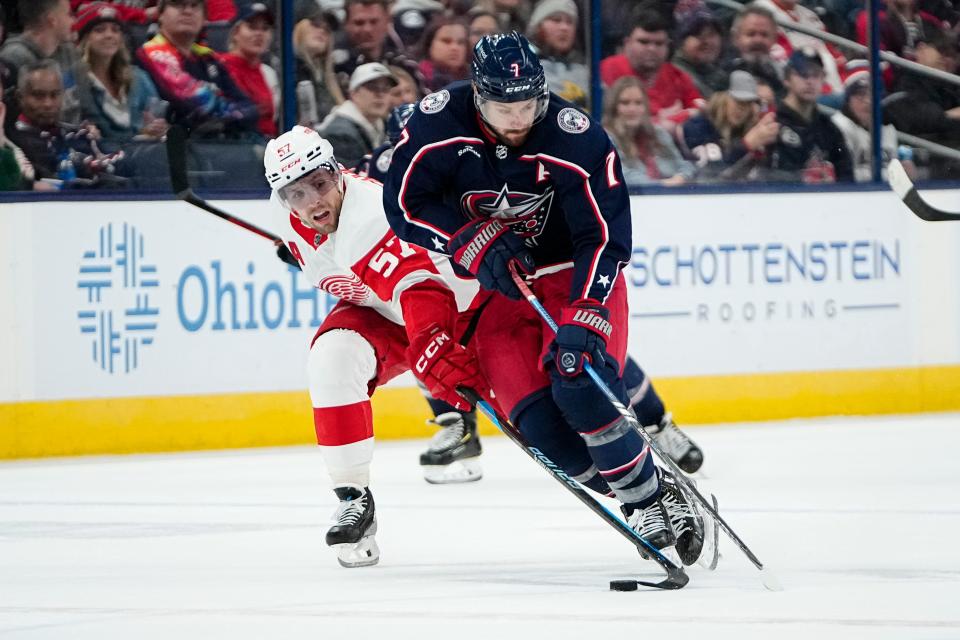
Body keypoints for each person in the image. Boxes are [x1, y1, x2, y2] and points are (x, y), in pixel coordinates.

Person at [383, 32, 708, 565]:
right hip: (497, 293)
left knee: (578, 384)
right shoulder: (436, 123)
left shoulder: (575, 137)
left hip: (571, 278)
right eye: (503, 107)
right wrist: (464, 237)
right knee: (540, 430)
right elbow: (403, 204)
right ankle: (644, 492)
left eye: (529, 104)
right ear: (477, 95)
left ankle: (647, 499)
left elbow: (603, 237)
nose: (518, 119)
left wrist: (587, 309)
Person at [263, 125, 487, 567]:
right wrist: (305, 249)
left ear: (337, 172)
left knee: (537, 412)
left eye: (320, 185)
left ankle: (638, 489)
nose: (313, 202)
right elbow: (321, 245)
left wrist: (432, 354)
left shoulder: (370, 215)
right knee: (332, 358)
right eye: (297, 194)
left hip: (455, 313)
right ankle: (352, 497)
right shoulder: (284, 211)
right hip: (386, 314)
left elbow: (418, 291)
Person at [136, 0, 259, 137]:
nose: (188, 11)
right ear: (160, 14)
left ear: (204, 18)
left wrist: (230, 117)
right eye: (178, 4)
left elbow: (249, 108)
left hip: (213, 147)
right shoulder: (153, 53)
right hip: (172, 151)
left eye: (194, 6)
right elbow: (198, 103)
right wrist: (235, 116)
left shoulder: (209, 59)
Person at [8, 59, 125, 185]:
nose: (48, 104)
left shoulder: (79, 135)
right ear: (20, 97)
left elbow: (119, 165)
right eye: (38, 96)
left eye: (55, 95)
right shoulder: (11, 144)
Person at [72, 2, 168, 142]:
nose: (109, 35)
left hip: (141, 156)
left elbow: (156, 118)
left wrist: (156, 128)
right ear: (85, 38)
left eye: (115, 30)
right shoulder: (73, 81)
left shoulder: (139, 77)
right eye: (100, 30)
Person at [600, 10, 704, 130]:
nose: (651, 49)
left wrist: (665, 119)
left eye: (659, 43)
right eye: (643, 42)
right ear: (627, 43)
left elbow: (700, 111)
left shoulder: (678, 76)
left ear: (668, 46)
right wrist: (672, 118)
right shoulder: (606, 70)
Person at [768, 49, 853, 182]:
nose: (810, 81)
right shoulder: (772, 123)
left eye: (816, 75)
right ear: (787, 79)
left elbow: (846, 176)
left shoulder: (829, 128)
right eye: (803, 74)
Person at [682, 70, 780, 181]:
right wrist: (747, 144)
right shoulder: (698, 126)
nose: (742, 108)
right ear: (720, 97)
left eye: (748, 102)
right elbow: (711, 172)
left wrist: (763, 151)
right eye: (737, 100)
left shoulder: (749, 128)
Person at [602, 76, 696, 186]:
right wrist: (660, 185)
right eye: (625, 103)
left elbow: (685, 166)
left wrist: (681, 177)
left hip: (670, 196)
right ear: (613, 107)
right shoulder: (605, 139)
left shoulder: (658, 133)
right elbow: (618, 175)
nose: (632, 109)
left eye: (638, 103)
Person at [0, 0, 80, 125]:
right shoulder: (15, 58)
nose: (74, 21)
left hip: (77, 136)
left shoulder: (68, 51)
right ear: (52, 20)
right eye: (69, 14)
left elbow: (85, 104)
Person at [831, 66, 912, 182]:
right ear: (848, 100)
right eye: (861, 95)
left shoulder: (888, 128)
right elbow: (844, 176)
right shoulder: (839, 126)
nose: (868, 101)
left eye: (873, 95)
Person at [219, 2, 279, 138]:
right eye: (252, 27)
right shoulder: (220, 67)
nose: (259, 34)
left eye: (265, 28)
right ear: (235, 32)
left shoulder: (268, 73)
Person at [320, 61, 396, 168]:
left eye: (385, 89)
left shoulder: (384, 125)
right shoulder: (340, 134)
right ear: (354, 93)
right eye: (372, 88)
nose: (380, 94)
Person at [526, 0, 589, 109]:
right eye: (556, 20)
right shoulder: (522, 67)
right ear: (538, 27)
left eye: (570, 22)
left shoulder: (586, 71)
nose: (564, 28)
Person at [292, 0, 344, 127]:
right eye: (316, 24)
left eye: (327, 29)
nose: (322, 31)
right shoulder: (287, 70)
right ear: (298, 26)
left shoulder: (331, 79)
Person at [725, 4, 785, 99]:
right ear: (736, 37)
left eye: (764, 35)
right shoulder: (724, 74)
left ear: (774, 39)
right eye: (751, 34)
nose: (758, 40)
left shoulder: (782, 76)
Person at [670, 7, 726, 98]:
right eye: (698, 35)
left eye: (711, 34)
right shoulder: (675, 75)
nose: (707, 42)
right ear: (681, 41)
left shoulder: (718, 74)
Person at [416, 15, 469, 93]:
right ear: (429, 45)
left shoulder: (478, 79)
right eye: (446, 41)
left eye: (460, 42)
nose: (454, 48)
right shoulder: (417, 78)